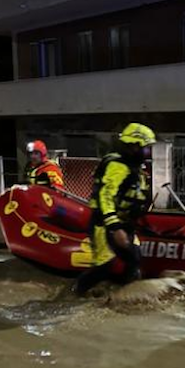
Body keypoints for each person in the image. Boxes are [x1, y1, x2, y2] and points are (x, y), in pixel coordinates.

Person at [74, 123, 156, 295]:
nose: (148, 153)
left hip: (125, 223)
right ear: (135, 146)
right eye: (146, 148)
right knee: (105, 265)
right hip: (104, 224)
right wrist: (115, 228)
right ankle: (77, 293)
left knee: (134, 258)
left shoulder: (135, 168)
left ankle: (125, 295)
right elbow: (106, 196)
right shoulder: (117, 166)